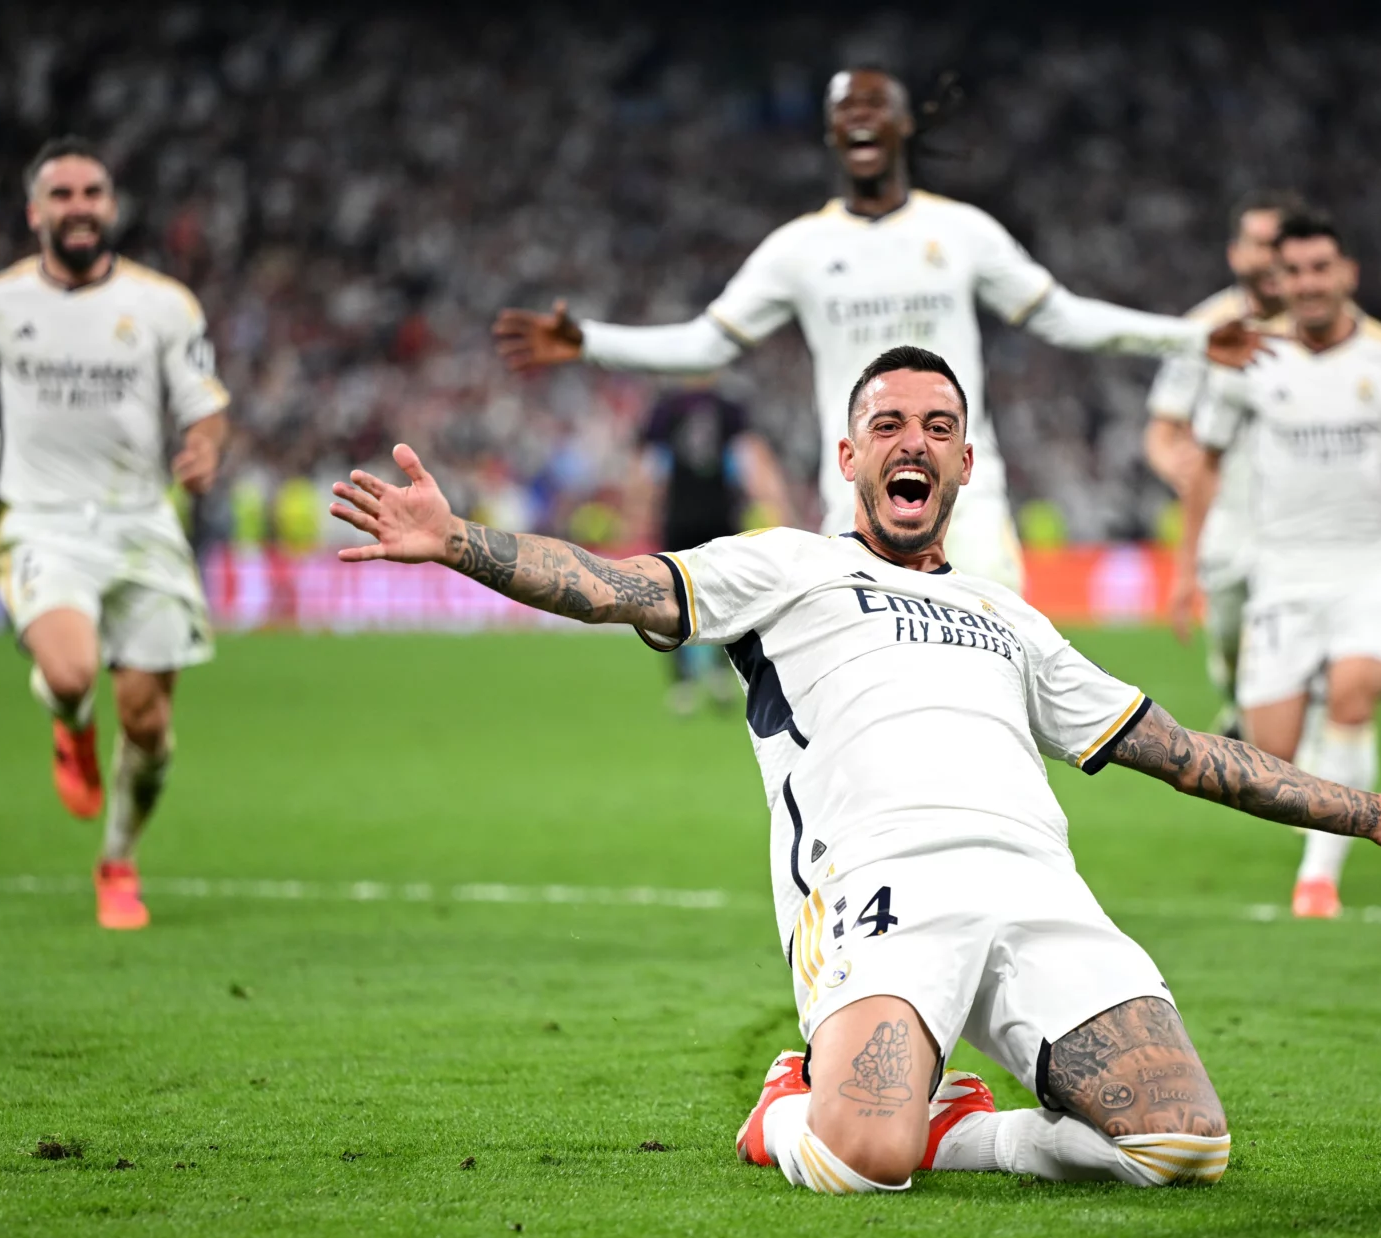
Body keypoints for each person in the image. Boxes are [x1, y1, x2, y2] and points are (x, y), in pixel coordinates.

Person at [328, 344, 1381, 1195]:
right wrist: (461, 542)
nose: (912, 442)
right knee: (854, 1161)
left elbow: (1185, 753)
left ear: (964, 460)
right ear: (850, 453)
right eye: (889, 423)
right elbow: (616, 583)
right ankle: (791, 1106)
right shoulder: (784, 568)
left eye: (936, 425)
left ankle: (960, 1131)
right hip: (886, 890)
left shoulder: (1012, 616)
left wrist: (1371, 812)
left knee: (1181, 1147)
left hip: (1040, 891)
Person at [494, 67, 1261, 592]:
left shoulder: (962, 232)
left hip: (971, 490)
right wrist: (591, 341)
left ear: (902, 125)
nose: (859, 117)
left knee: (997, 666)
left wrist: (1190, 338)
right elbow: (707, 343)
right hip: (855, 494)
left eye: (874, 105)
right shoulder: (800, 248)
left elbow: (1062, 315)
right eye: (843, 109)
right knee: (877, 689)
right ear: (832, 134)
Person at [0, 137, 230, 930]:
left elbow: (205, 402)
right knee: (73, 673)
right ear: (35, 211)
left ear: (111, 207)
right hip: (43, 522)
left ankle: (119, 862)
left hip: (142, 523)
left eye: (93, 192)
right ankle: (69, 725)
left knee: (148, 722)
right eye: (62, 194)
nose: (79, 206)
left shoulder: (162, 305)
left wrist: (204, 449)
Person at [1179, 211, 1381, 920]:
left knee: (1354, 694)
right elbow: (1205, 466)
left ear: (1347, 275)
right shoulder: (1248, 361)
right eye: (1294, 272)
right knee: (1271, 757)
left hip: (1370, 565)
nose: (1308, 284)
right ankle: (1314, 737)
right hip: (1280, 571)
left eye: (1320, 269)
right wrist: (1188, 565)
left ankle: (1318, 879)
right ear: (1279, 281)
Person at [1148, 190, 1303, 739]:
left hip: (1300, 524)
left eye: (1277, 245)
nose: (1267, 258)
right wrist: (1181, 467)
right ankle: (1240, 702)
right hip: (1227, 518)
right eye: (1258, 245)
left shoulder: (1324, 327)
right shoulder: (1204, 328)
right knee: (1233, 643)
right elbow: (1162, 432)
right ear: (1236, 254)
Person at [627, 378, 793, 713]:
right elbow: (752, 464)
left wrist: (638, 512)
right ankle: (707, 675)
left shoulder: (668, 408)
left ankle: (690, 680)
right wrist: (775, 505)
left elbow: (648, 469)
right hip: (716, 515)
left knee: (674, 596)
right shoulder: (727, 408)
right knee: (721, 593)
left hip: (683, 515)